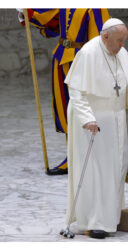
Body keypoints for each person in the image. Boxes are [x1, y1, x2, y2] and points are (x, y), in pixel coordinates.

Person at [64, 18, 128, 239]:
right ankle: (94, 221)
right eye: (119, 41)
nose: (123, 45)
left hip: (117, 119)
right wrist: (87, 119)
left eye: (124, 41)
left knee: (116, 167)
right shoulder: (88, 53)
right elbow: (77, 92)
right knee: (97, 171)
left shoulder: (120, 52)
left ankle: (110, 218)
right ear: (105, 37)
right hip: (94, 122)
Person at [17, 8, 110, 175]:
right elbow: (52, 25)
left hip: (82, 62)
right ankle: (73, 156)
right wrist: (28, 13)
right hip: (61, 57)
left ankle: (91, 156)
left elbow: (101, 41)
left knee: (84, 109)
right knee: (65, 108)